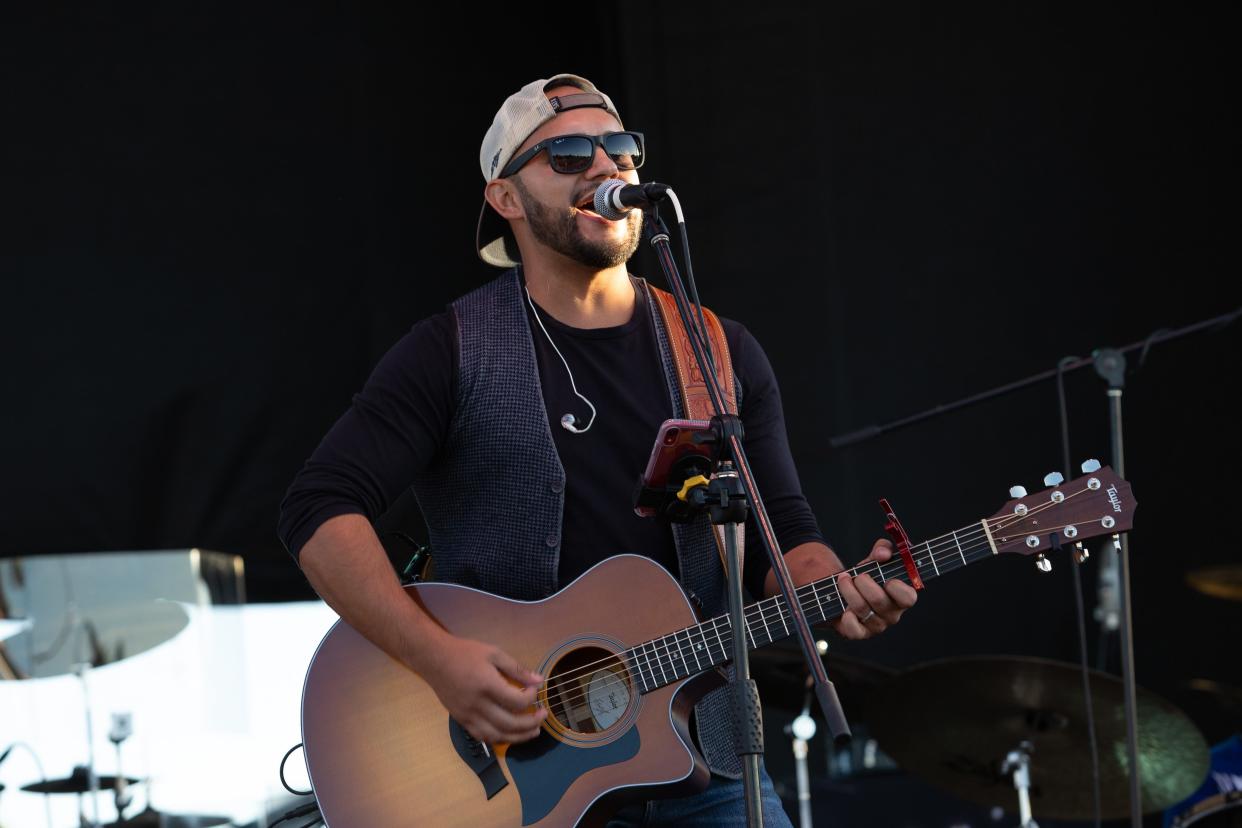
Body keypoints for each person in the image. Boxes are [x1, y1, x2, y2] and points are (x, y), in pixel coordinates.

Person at [278, 73, 918, 827]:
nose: (605, 168)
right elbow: (316, 510)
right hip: (513, 776)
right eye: (569, 155)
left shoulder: (717, 350)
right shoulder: (451, 350)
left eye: (619, 149)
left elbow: (787, 532)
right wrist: (439, 661)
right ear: (506, 199)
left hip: (703, 763)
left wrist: (839, 590)